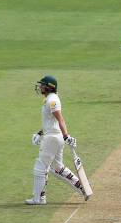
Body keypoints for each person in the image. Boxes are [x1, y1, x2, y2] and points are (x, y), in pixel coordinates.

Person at [25, 76, 89, 205]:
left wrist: (67, 136)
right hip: (54, 136)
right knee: (57, 167)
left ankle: (39, 198)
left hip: (52, 138)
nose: (40, 87)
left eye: (42, 85)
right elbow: (51, 122)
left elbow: (60, 119)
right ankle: (82, 188)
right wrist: (40, 132)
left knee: (41, 166)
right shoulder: (49, 99)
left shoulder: (52, 100)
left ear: (49, 87)